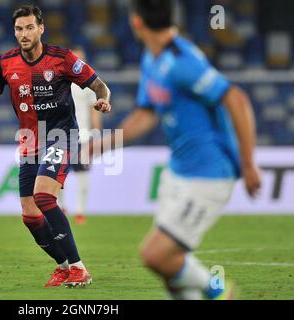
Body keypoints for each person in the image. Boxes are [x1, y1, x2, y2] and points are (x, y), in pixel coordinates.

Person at [91, 0, 261, 299]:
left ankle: (220, 293)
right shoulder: (152, 59)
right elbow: (147, 113)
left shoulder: (182, 60)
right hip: (178, 173)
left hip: (208, 173)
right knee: (169, 271)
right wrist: (104, 145)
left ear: (137, 22)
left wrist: (248, 165)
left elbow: (236, 99)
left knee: (156, 255)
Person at [0, 5, 111, 288]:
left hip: (62, 135)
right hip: (29, 139)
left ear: (40, 29)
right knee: (30, 214)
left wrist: (103, 99)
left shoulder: (62, 59)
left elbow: (99, 85)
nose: (23, 34)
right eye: (18, 29)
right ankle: (62, 267)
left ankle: (78, 268)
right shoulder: (6, 62)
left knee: (44, 197)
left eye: (28, 28)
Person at [58, 47, 101, 225]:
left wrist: (96, 134)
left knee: (82, 174)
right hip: (60, 135)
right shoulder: (59, 81)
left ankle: (80, 212)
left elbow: (94, 110)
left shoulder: (88, 85)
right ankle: (61, 206)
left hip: (82, 136)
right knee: (57, 174)